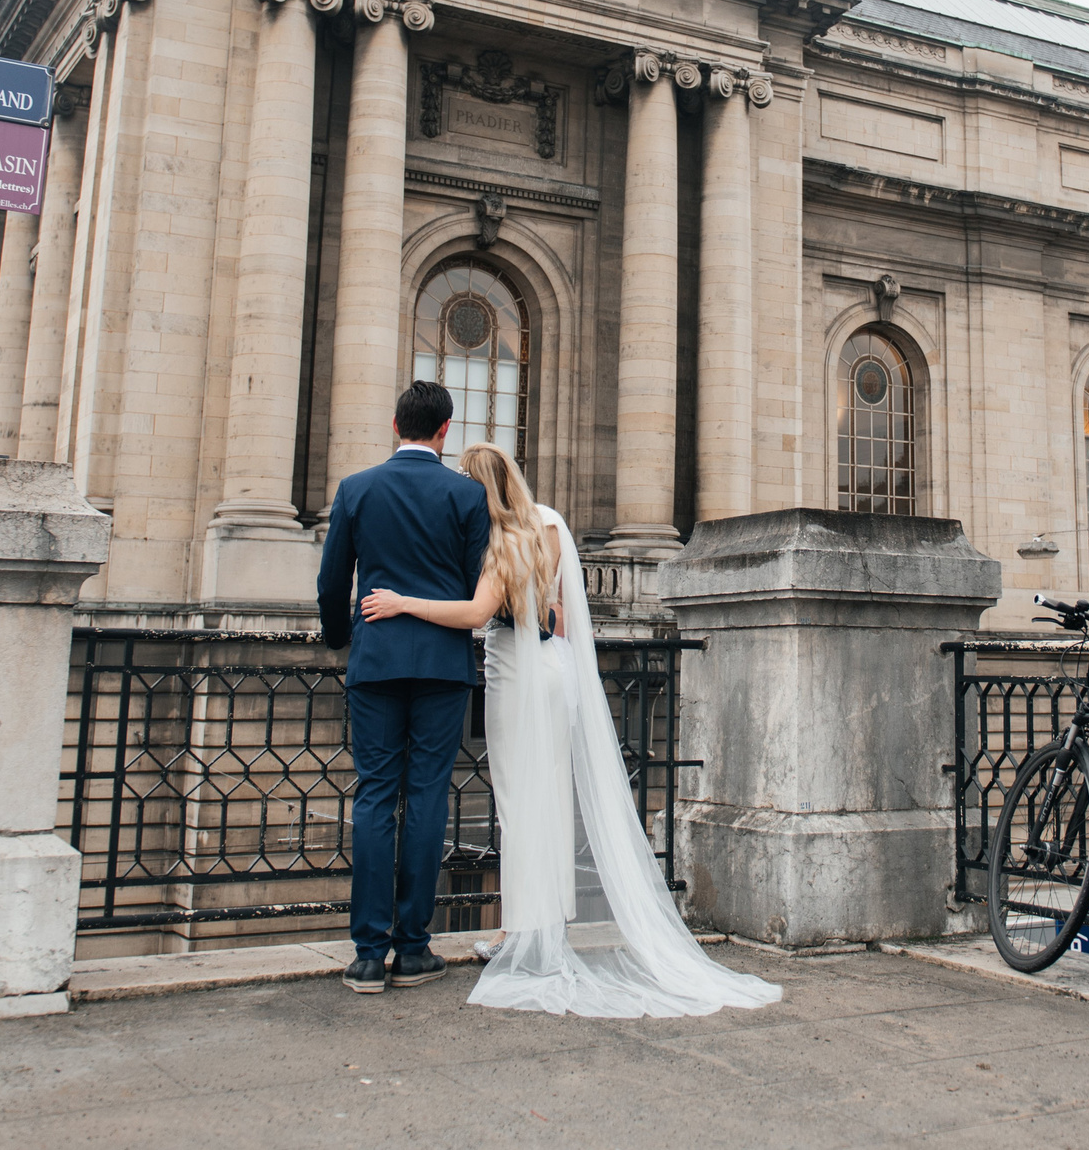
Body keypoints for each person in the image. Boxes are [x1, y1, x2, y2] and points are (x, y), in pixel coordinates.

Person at [362, 443, 781, 1019]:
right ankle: (549, 923)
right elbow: (556, 612)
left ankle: (521, 937)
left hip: (516, 672)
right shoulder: (550, 526)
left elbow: (477, 614)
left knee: (516, 805)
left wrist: (402, 602)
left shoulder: (500, 540)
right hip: (557, 671)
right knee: (552, 798)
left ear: (480, 489)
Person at [317, 380, 491, 995]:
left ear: (395, 426)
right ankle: (413, 949)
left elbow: (332, 580)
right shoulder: (468, 496)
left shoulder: (356, 489)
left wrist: (343, 638)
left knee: (372, 798)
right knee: (426, 798)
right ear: (446, 430)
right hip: (444, 664)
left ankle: (367, 955)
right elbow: (477, 587)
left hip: (376, 659)